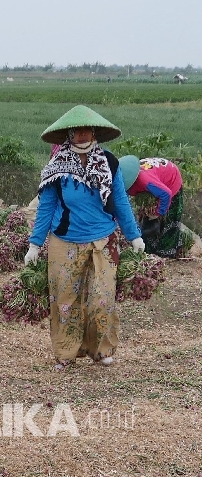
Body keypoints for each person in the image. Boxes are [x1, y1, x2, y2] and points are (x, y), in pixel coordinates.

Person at [24, 105, 145, 371]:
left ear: (94, 132)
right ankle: (66, 352)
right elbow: (46, 207)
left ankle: (101, 350)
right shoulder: (56, 168)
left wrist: (134, 235)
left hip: (103, 239)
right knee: (65, 300)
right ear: (68, 134)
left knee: (102, 298)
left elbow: (121, 202)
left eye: (85, 130)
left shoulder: (109, 163)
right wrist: (35, 243)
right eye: (76, 131)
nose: (81, 135)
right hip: (65, 241)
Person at [119, 155, 185, 258]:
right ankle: (149, 248)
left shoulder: (144, 180)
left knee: (169, 220)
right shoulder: (122, 181)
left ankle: (166, 252)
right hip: (155, 184)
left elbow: (166, 194)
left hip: (170, 181)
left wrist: (158, 213)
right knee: (147, 219)